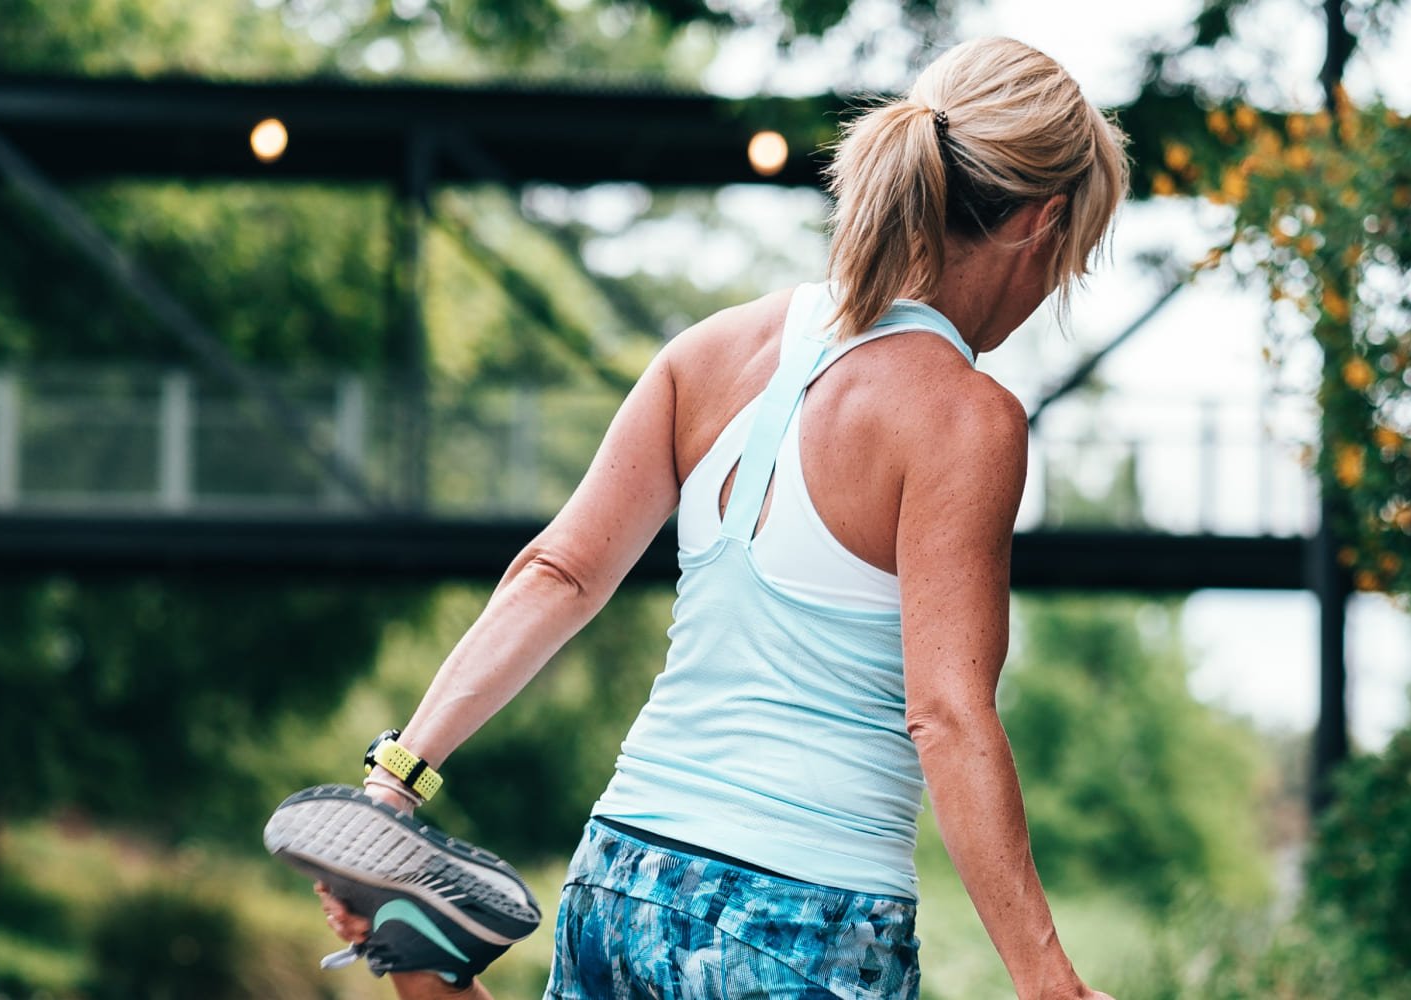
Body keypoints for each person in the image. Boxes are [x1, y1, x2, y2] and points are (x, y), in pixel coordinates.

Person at [306, 34, 1128, 1000]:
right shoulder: (963, 415)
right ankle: (428, 949)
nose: (1052, 290)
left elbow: (558, 576)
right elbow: (945, 715)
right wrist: (1048, 980)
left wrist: (399, 772)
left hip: (624, 868)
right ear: (1044, 221)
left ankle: (430, 950)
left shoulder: (713, 351)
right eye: (1069, 260)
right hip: (803, 913)